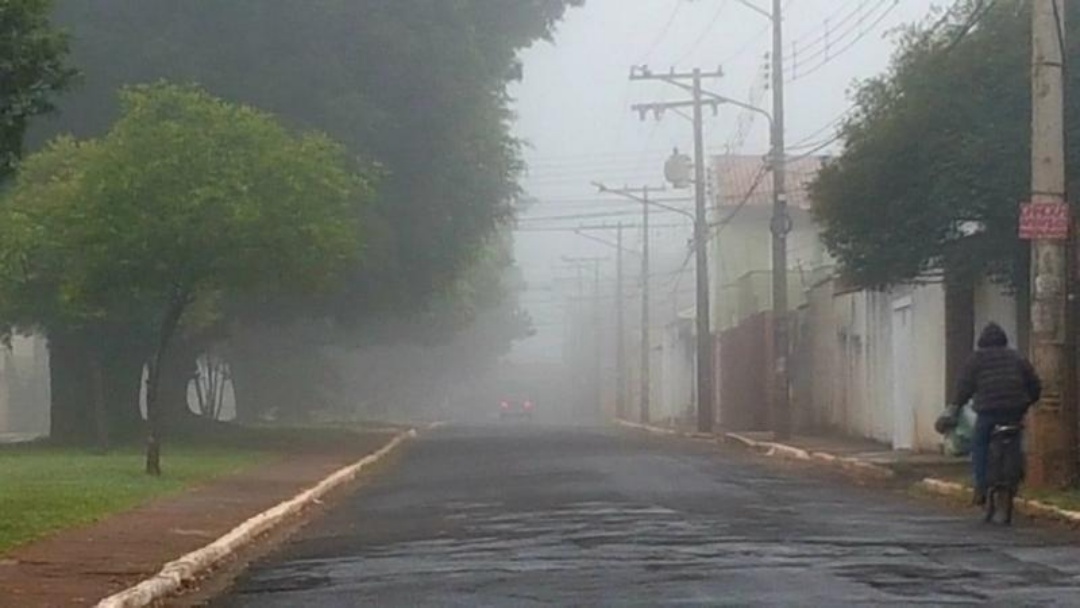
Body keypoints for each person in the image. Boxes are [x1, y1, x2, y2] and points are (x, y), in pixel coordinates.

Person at [945, 322, 1041, 505]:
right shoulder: (1017, 358)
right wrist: (1028, 403)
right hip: (1015, 410)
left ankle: (981, 486)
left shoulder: (976, 359)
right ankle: (1016, 475)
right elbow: (1034, 384)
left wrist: (956, 405)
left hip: (988, 411)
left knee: (979, 443)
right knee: (1016, 439)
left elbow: (964, 386)